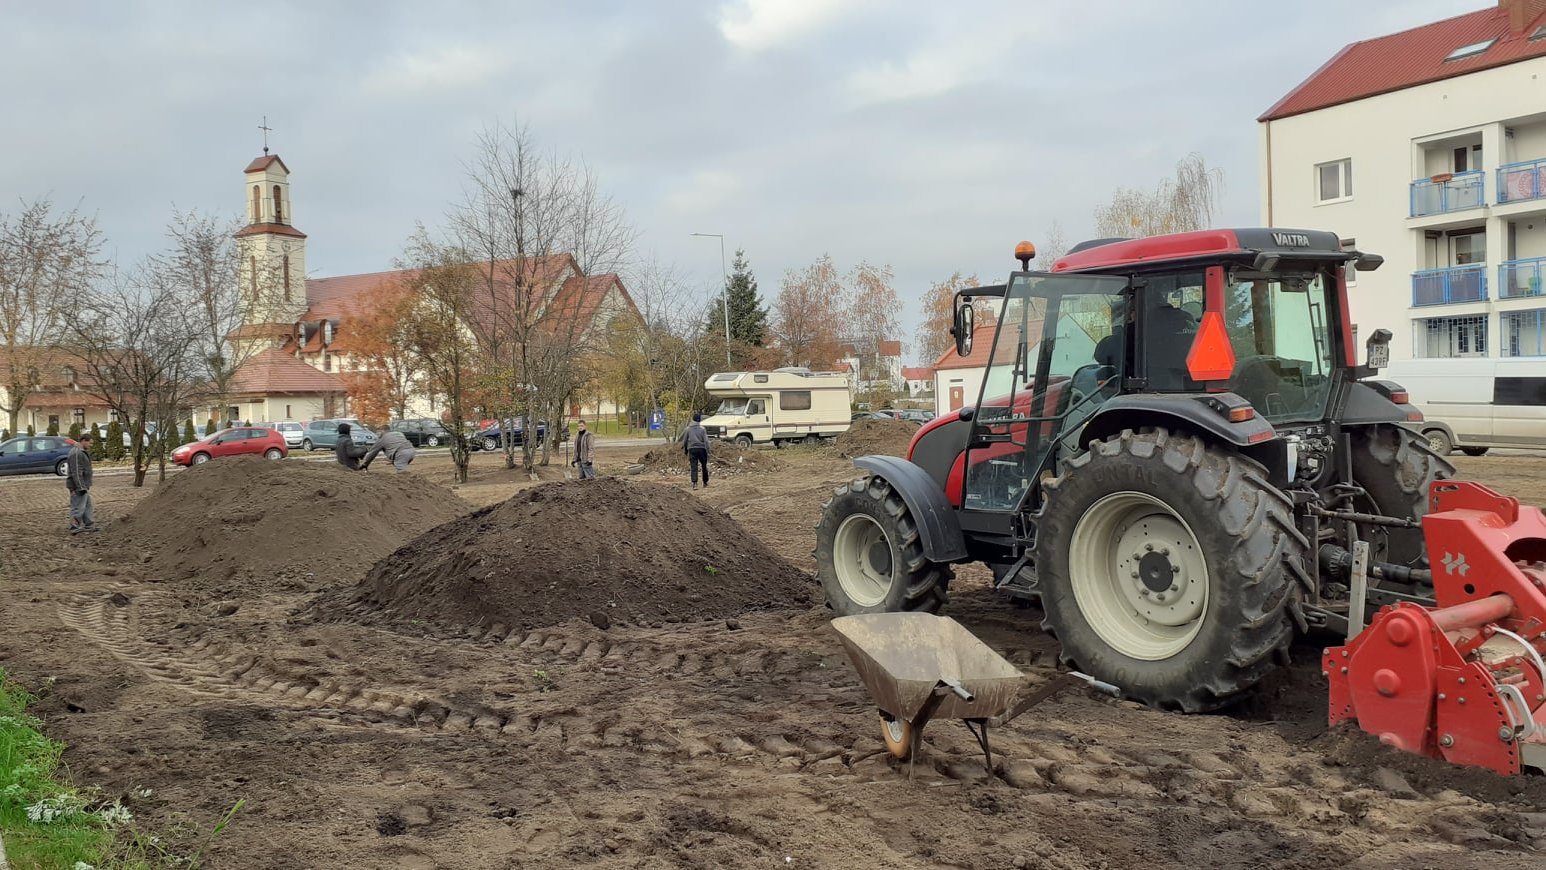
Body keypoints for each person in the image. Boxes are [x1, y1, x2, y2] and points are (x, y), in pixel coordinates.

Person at [66, 430, 97, 533]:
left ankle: (89, 525)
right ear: (84, 441)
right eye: (90, 443)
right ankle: (74, 526)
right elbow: (76, 472)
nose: (91, 445)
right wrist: (80, 487)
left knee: (87, 505)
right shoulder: (76, 453)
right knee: (78, 506)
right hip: (77, 485)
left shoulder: (80, 451)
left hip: (83, 484)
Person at [682, 413, 711, 490]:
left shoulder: (688, 429)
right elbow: (706, 441)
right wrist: (708, 450)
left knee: (694, 466)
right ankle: (705, 482)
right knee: (704, 466)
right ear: (699, 420)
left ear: (692, 419)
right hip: (702, 449)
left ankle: (694, 483)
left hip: (692, 449)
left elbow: (684, 441)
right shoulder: (702, 429)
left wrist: (685, 450)